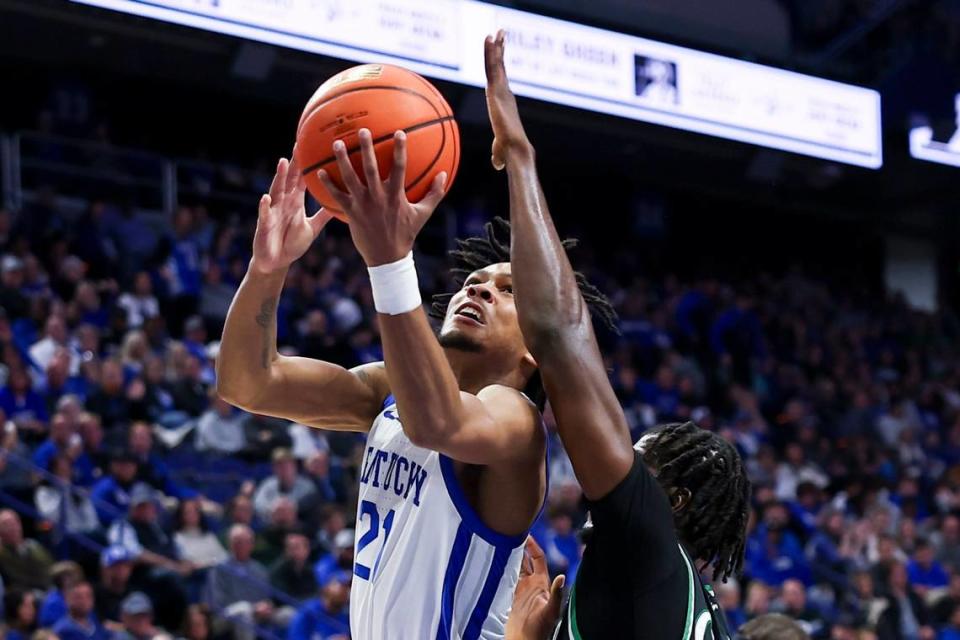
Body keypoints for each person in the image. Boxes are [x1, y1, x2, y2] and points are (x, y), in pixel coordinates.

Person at [217, 117, 548, 638]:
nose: (478, 291)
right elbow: (248, 383)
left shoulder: (516, 421)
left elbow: (438, 425)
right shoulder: (387, 391)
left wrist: (391, 263)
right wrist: (267, 271)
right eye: (474, 281)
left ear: (535, 351)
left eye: (508, 292)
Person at [482, 32, 749, 640]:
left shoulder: (645, 542)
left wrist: (519, 155)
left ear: (671, 502)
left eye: (640, 461)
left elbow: (557, 333)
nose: (619, 460)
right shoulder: (693, 607)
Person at [251, 449, 315, 523]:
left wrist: (287, 507)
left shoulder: (306, 485)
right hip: (272, 525)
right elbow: (258, 504)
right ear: (274, 468)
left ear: (294, 466)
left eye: (286, 464)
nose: (283, 468)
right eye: (279, 465)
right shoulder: (267, 484)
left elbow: (308, 501)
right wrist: (273, 508)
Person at [286, 572, 351, 640]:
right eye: (341, 586)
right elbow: (294, 637)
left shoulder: (345, 615)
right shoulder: (308, 611)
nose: (345, 591)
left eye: (347, 587)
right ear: (327, 587)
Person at [0, 509, 54, 590]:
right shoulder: (2, 553)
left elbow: (49, 569)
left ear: (20, 524)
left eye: (14, 522)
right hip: (23, 593)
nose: (11, 527)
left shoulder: (33, 546)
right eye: (6, 524)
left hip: (48, 588)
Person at [173, 498, 228, 570]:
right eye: (188, 512)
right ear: (181, 516)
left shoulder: (209, 536)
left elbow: (224, 558)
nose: (192, 515)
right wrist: (210, 563)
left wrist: (210, 563)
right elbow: (187, 563)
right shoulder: (177, 538)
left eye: (195, 512)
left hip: (216, 572)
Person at [268, 532, 317, 603]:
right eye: (289, 548)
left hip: (306, 605)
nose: (292, 551)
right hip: (285, 607)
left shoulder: (309, 569)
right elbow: (280, 597)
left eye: (296, 547)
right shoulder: (278, 569)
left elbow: (315, 592)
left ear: (307, 550)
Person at [95, 546, 136, 627]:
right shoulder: (94, 594)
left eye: (126, 565)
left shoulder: (133, 593)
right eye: (116, 566)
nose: (122, 570)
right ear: (104, 569)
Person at [40, 561, 85, 628]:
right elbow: (52, 626)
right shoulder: (53, 602)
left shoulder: (79, 597)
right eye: (67, 576)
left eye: (76, 575)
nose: (75, 579)